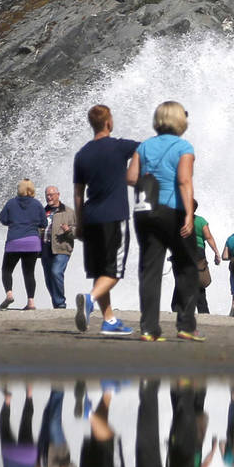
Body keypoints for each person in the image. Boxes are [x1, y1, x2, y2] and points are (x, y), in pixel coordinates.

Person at [132, 101, 203, 341]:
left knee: (150, 270)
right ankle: (185, 326)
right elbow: (184, 180)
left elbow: (131, 177)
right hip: (172, 211)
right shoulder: (183, 146)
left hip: (145, 211)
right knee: (187, 267)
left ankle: (149, 329)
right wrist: (189, 215)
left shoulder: (144, 146)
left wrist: (149, 175)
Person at [71, 104, 140, 336]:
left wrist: (78, 223)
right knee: (113, 272)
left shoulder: (82, 154)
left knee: (101, 271)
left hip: (90, 218)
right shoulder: (121, 147)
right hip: (114, 216)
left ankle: (109, 320)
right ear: (109, 122)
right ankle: (89, 300)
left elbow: (78, 193)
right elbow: (148, 149)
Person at [0, 179, 45, 309]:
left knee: (7, 270)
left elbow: (3, 219)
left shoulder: (11, 203)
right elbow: (44, 223)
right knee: (29, 273)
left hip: (14, 241)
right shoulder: (37, 204)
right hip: (32, 242)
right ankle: (31, 302)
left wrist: (15, 222)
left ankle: (9, 294)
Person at [41, 185, 76, 311]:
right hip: (45, 249)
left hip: (62, 248)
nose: (48, 197)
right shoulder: (43, 211)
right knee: (49, 278)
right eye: (47, 195)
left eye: (51, 195)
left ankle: (60, 304)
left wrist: (69, 230)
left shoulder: (69, 212)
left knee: (56, 272)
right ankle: (57, 305)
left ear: (58, 195)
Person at [37, 381, 72, 467]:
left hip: (43, 446)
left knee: (47, 415)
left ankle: (55, 391)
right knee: (53, 423)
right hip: (58, 447)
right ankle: (59, 390)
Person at [190, 200, 221, 314]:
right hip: (198, 252)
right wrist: (216, 252)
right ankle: (203, 311)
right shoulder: (201, 221)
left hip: (183, 251)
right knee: (199, 281)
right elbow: (209, 237)